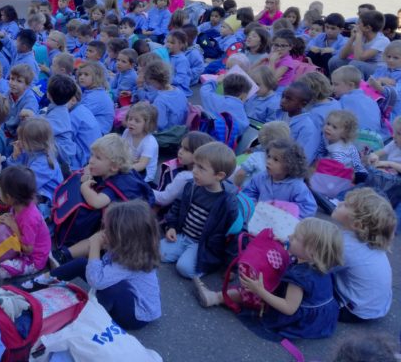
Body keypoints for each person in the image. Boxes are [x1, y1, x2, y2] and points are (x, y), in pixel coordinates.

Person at [194, 218, 343, 341]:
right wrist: (286, 242)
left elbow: (289, 308)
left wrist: (260, 290)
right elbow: (297, 249)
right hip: (322, 315)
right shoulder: (319, 263)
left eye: (296, 237)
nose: (290, 237)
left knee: (252, 291)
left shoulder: (300, 278)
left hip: (301, 321)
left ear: (311, 251)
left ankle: (214, 298)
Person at [45, 200, 162, 330]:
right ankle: (42, 281)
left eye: (108, 230)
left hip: (136, 316)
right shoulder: (129, 247)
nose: (104, 232)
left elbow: (96, 281)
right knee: (82, 263)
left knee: (112, 288)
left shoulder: (130, 262)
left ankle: (90, 318)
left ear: (123, 237)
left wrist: (95, 245)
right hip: (128, 298)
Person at [160, 142, 239, 279]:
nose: (194, 170)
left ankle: (202, 263)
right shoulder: (192, 186)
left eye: (201, 168)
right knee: (157, 252)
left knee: (184, 268)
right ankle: (185, 254)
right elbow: (177, 206)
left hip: (203, 246)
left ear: (219, 176)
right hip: (183, 235)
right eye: (195, 165)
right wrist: (171, 226)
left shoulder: (227, 203)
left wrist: (230, 266)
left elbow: (233, 238)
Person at [331, 188, 396, 322]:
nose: (339, 203)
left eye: (346, 205)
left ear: (356, 224)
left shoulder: (346, 245)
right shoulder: (369, 240)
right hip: (377, 307)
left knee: (310, 277)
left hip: (353, 311)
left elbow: (319, 266)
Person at [0, 165, 52, 278]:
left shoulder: (29, 218)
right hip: (22, 246)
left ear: (9, 197)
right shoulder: (20, 204)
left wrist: (13, 226)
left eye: (0, 190)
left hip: (33, 260)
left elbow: (29, 249)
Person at [243, 138, 317, 218]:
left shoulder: (297, 186)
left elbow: (308, 208)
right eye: (269, 156)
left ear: (290, 165)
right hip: (259, 218)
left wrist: (287, 215)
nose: (269, 161)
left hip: (281, 225)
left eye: (276, 160)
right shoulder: (261, 177)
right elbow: (249, 192)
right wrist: (253, 204)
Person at [122, 103, 159, 183]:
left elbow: (142, 165)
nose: (131, 122)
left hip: (144, 175)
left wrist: (122, 169)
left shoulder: (149, 142)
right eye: (130, 118)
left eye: (137, 121)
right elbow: (121, 149)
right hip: (129, 163)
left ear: (147, 124)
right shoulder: (127, 132)